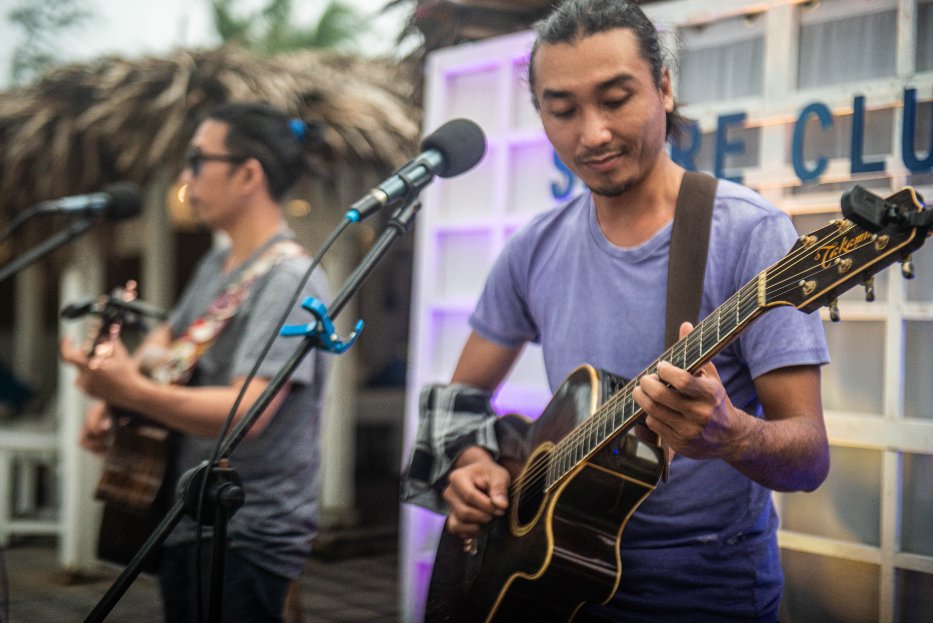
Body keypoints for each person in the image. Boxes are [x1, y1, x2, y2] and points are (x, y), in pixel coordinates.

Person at [403, 1, 831, 621]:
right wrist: (472, 464)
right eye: (563, 109)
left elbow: (810, 457)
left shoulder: (750, 235)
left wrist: (733, 436)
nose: (592, 133)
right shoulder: (534, 247)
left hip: (701, 597)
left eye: (615, 98)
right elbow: (456, 401)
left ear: (663, 87)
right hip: (544, 585)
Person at [61, 101, 331, 622]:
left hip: (247, 529)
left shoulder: (288, 279)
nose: (187, 178)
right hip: (188, 514)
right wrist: (119, 391)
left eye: (197, 160)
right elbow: (169, 338)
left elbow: (248, 412)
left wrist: (130, 392)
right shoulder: (218, 261)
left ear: (247, 173)